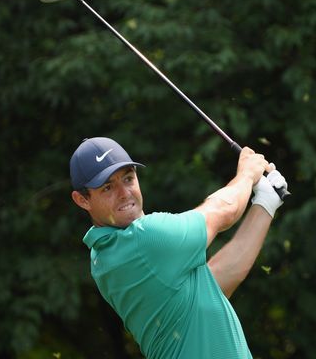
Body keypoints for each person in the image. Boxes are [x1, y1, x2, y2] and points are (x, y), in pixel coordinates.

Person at [69, 136, 288, 358]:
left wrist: (265, 204)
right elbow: (224, 211)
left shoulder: (106, 253)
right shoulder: (145, 240)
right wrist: (247, 174)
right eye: (107, 187)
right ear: (82, 200)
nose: (124, 193)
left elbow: (215, 283)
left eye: (128, 179)